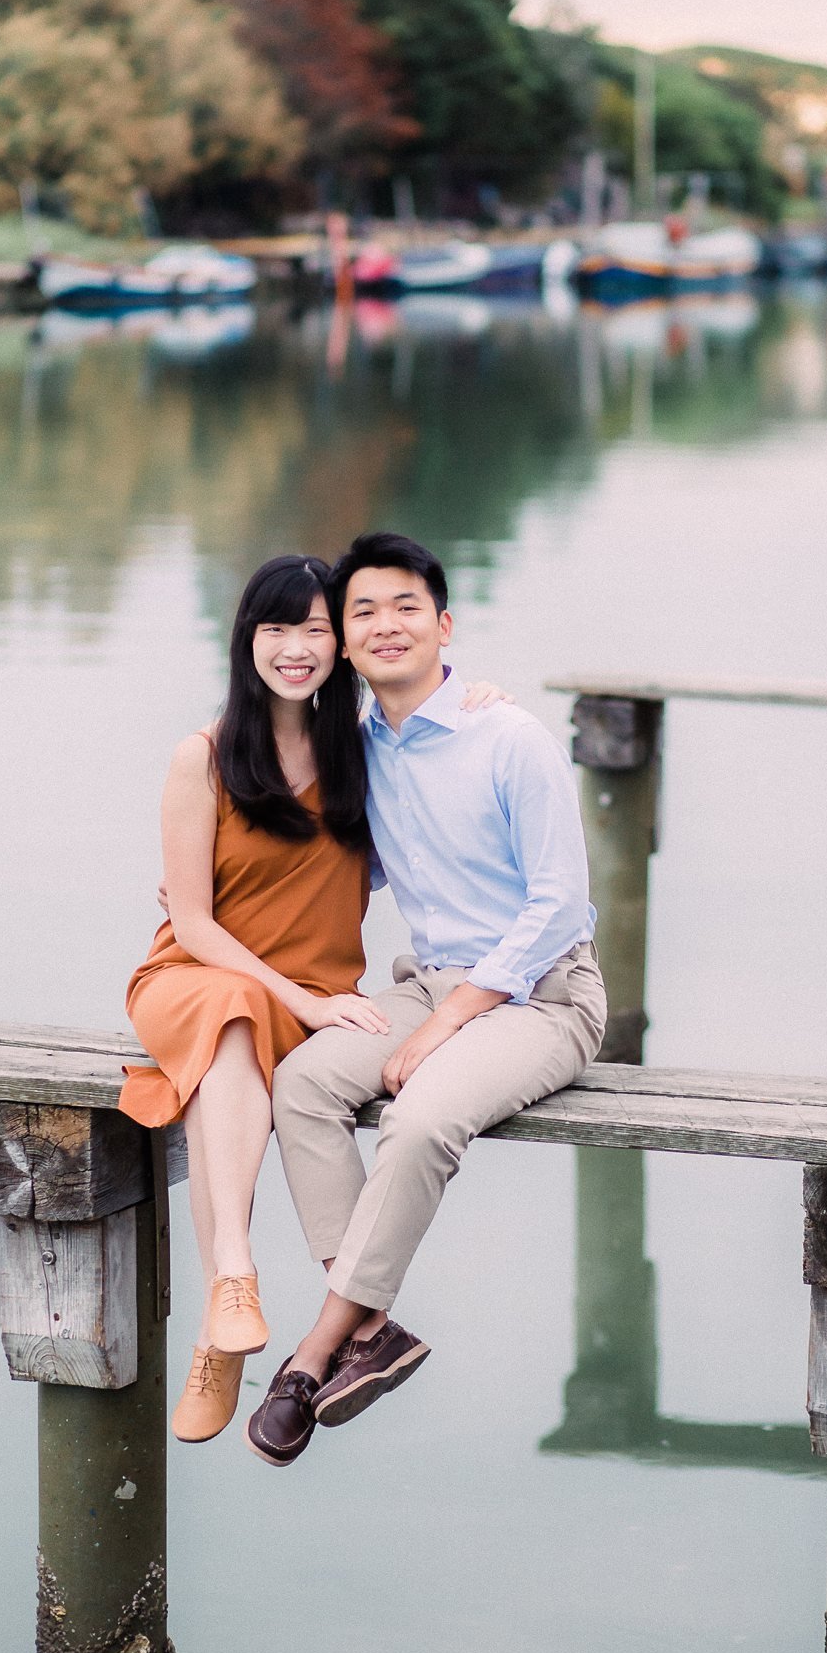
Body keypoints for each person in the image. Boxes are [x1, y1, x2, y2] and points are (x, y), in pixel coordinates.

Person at [119, 553, 506, 1446]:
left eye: (315, 629)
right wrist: (310, 1000)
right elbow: (196, 924)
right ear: (246, 640)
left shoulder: (362, 750)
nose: (295, 648)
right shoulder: (204, 755)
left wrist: (477, 701)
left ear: (340, 645)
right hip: (195, 979)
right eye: (275, 628)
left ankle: (225, 1333)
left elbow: (437, 758)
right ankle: (234, 1275)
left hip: (312, 999)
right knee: (231, 1018)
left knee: (239, 1058)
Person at [248, 532, 606, 1468]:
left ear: (444, 625)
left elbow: (559, 899)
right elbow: (333, 867)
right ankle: (375, 1329)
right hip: (430, 984)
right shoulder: (358, 748)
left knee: (416, 1121)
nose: (385, 624)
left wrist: (450, 1025)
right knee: (303, 1084)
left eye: (406, 606)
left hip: (544, 996)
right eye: (362, 612)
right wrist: (209, 899)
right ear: (346, 647)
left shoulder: (509, 737)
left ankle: (315, 1350)